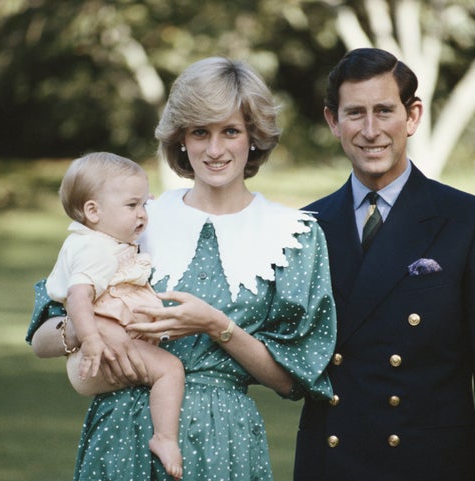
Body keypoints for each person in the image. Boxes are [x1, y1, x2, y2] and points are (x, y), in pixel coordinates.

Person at [26, 57, 337, 481]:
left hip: (222, 438)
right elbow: (42, 338)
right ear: (181, 140)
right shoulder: (135, 219)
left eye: (230, 131)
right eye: (199, 132)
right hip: (119, 433)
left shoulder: (292, 236)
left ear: (254, 137)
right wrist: (87, 330)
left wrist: (216, 325)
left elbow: (291, 381)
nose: (214, 149)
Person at [294, 48, 475, 481]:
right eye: (354, 113)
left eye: (384, 111)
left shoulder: (471, 222)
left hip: (430, 465)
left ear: (413, 116)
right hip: (332, 464)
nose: (370, 131)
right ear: (332, 121)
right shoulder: (306, 227)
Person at [44, 151, 184, 479]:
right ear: (93, 211)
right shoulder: (94, 250)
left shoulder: (98, 241)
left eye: (144, 205)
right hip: (97, 355)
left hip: (97, 356)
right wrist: (91, 338)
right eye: (132, 205)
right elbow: (79, 296)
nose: (142, 215)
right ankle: (164, 438)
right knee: (170, 369)